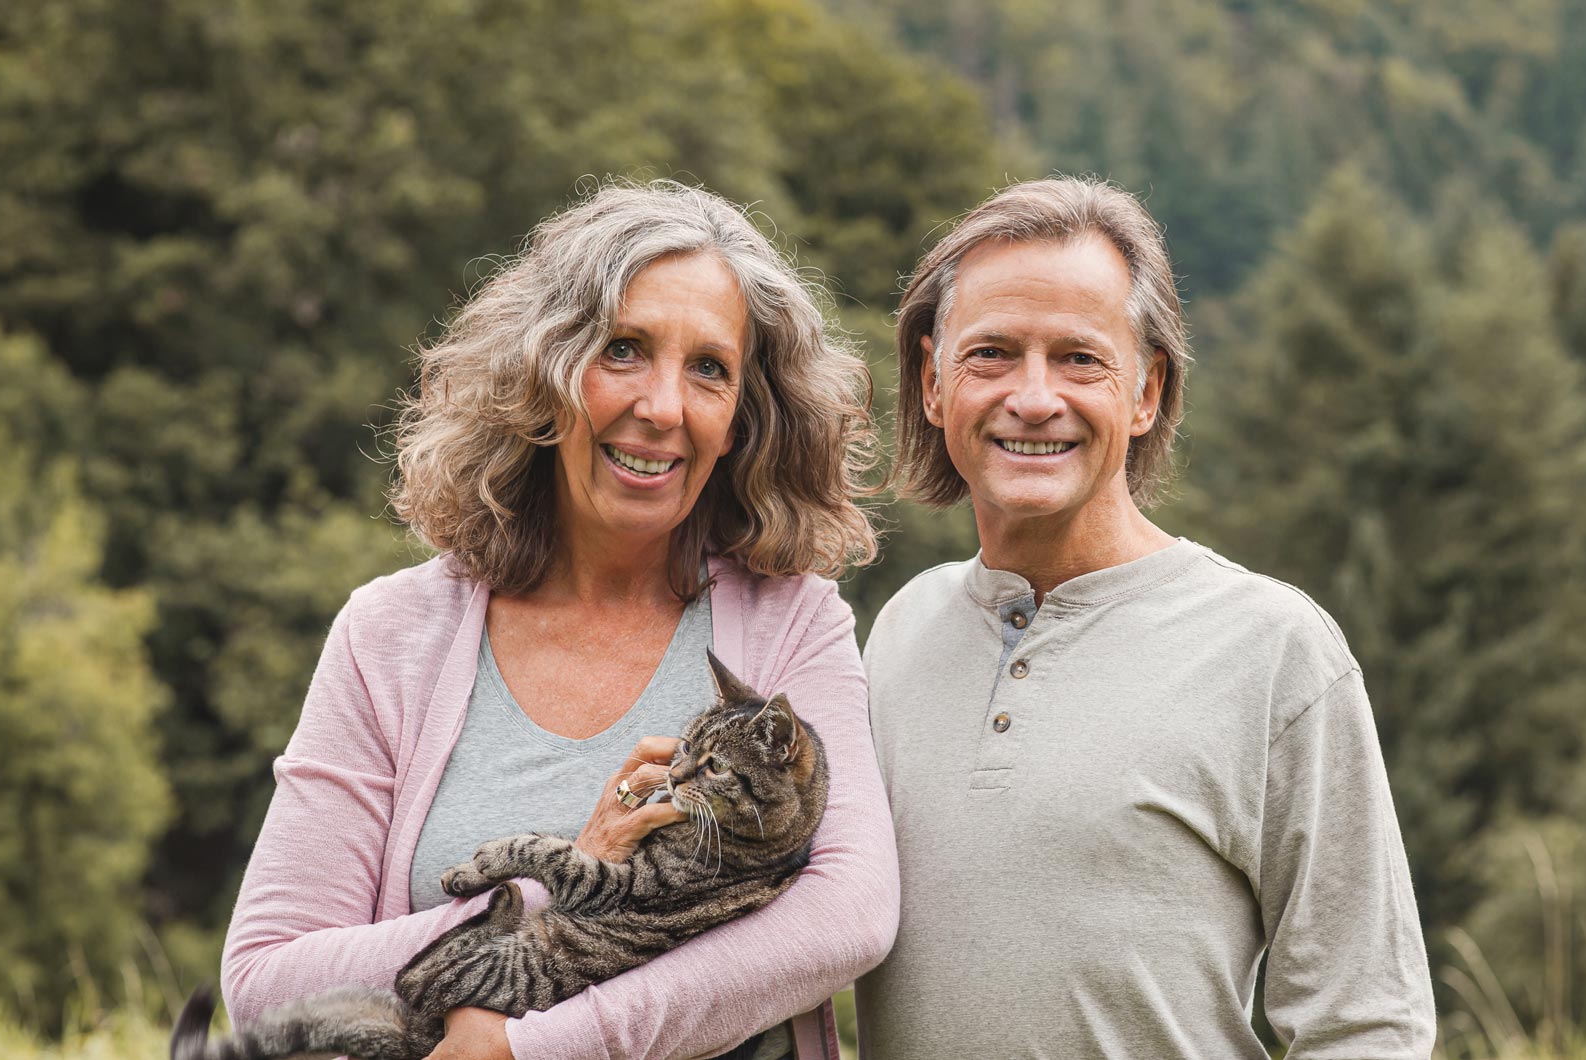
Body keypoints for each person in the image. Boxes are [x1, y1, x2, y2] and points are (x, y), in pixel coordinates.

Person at [220, 181, 898, 1060]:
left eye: (709, 369)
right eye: (624, 350)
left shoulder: (789, 624)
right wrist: (557, 879)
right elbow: (266, 981)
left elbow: (848, 916)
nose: (661, 406)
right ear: (545, 374)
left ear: (741, 420)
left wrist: (534, 1047)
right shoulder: (391, 634)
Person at [855, 177, 1436, 1058]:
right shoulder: (901, 630)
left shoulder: (1273, 649)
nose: (1035, 396)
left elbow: (1367, 1023)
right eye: (993, 354)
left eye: (1080, 358)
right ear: (934, 385)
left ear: (1146, 391)